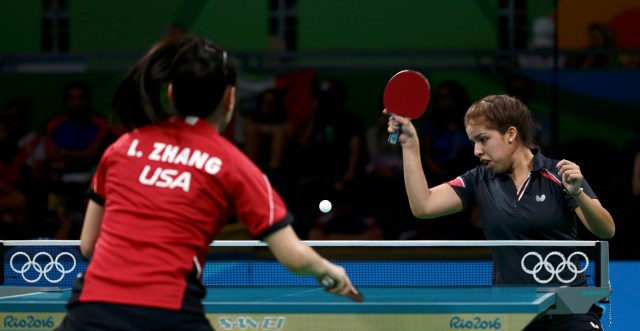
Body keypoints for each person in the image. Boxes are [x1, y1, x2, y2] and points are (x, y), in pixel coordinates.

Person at [55, 34, 357, 331]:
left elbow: (88, 245)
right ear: (230, 98)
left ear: (171, 94)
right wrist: (331, 272)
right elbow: (293, 255)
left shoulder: (121, 148)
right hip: (170, 312)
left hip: (92, 309)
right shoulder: (236, 165)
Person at [386, 94, 615, 330]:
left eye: (483, 139)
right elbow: (424, 206)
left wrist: (577, 193)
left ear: (511, 134)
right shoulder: (478, 180)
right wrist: (410, 146)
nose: (476, 150)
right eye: (473, 141)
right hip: (514, 309)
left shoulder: (558, 174)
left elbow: (606, 230)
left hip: (568, 306)